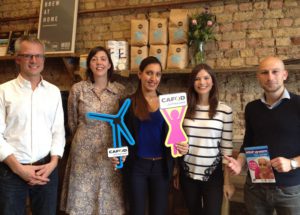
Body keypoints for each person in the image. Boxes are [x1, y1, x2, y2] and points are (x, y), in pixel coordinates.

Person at [226, 56, 300, 215]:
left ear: (285, 75)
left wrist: (292, 163)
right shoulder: (252, 108)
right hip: (255, 188)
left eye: (275, 72)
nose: (270, 77)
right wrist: (239, 163)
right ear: (258, 76)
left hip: (290, 189)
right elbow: (248, 142)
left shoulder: (298, 105)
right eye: (265, 73)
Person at [0, 35, 65, 215]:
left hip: (46, 170)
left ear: (44, 59)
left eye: (39, 56)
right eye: (28, 55)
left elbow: (58, 131)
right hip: (11, 171)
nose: (34, 60)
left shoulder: (53, 92)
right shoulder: (3, 91)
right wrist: (19, 169)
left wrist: (53, 164)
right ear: (18, 59)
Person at [117, 56, 189, 215]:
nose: (153, 78)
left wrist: (181, 150)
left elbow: (176, 133)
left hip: (161, 167)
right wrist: (118, 154)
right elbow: (120, 135)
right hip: (137, 167)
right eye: (149, 73)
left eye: (157, 74)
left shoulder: (168, 103)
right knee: (137, 211)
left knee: (159, 211)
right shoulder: (127, 103)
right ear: (140, 74)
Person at [60, 46, 126, 214]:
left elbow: (124, 122)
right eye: (94, 59)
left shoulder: (119, 91)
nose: (99, 62)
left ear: (110, 64)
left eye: (103, 59)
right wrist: (84, 138)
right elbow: (72, 122)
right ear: (89, 64)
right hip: (83, 153)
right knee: (82, 201)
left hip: (110, 151)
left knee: (109, 197)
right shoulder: (78, 89)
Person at [176, 64, 235, 215]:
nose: (202, 82)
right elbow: (176, 140)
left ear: (213, 81)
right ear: (192, 83)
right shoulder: (183, 109)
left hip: (213, 175)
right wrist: (176, 171)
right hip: (187, 173)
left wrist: (227, 182)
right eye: (197, 79)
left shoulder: (225, 111)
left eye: (206, 78)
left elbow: (227, 149)